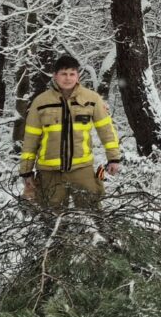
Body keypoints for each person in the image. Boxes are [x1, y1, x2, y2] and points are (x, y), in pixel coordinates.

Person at [18, 53, 123, 210]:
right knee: (51, 217)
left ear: (77, 76)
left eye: (72, 74)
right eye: (63, 74)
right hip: (49, 172)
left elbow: (106, 130)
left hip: (82, 169)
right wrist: (26, 171)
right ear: (55, 76)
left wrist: (113, 158)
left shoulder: (92, 99)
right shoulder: (40, 102)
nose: (68, 78)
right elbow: (30, 139)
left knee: (93, 213)